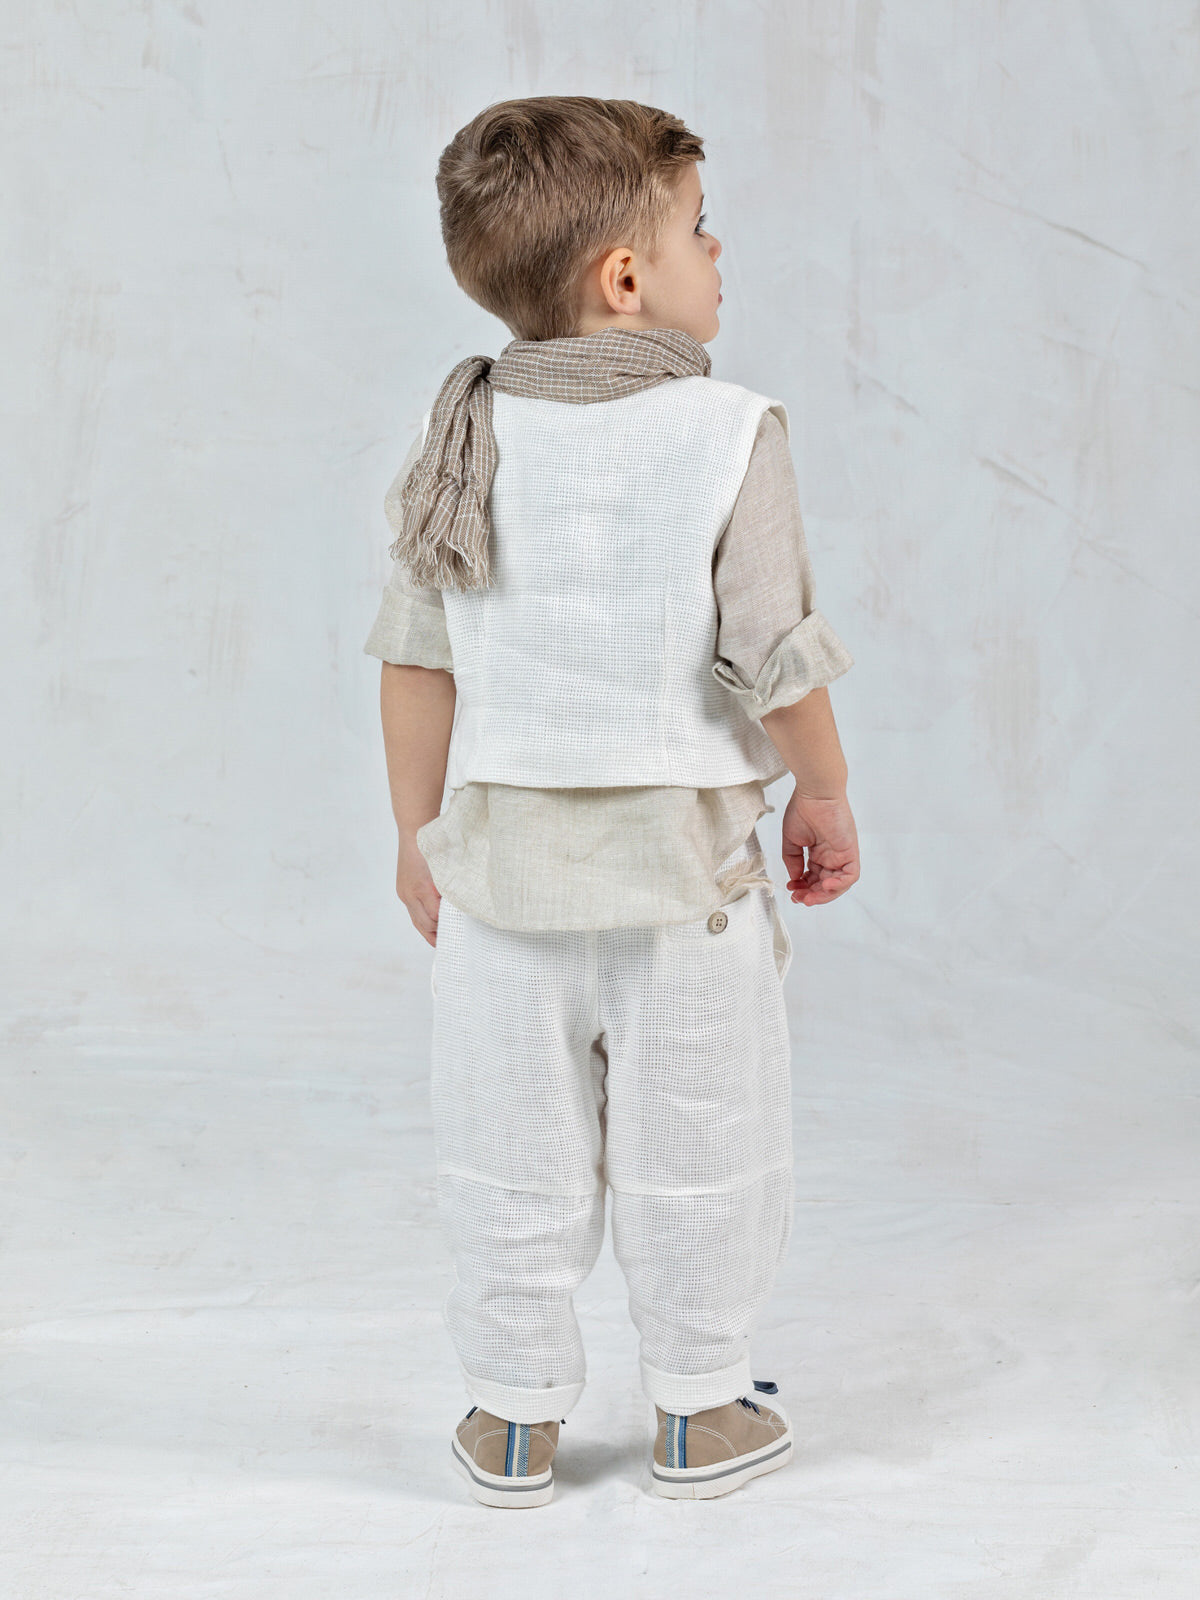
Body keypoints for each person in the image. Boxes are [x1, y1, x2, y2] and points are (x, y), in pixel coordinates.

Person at [363, 95, 860, 1508]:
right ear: (626, 277)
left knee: (505, 1152)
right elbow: (771, 650)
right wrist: (822, 790)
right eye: (701, 225)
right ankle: (699, 1408)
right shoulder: (728, 430)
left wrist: (414, 834)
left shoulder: (463, 431)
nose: (721, 249)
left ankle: (511, 1415)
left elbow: (415, 654)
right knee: (703, 1143)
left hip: (500, 889)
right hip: (682, 884)